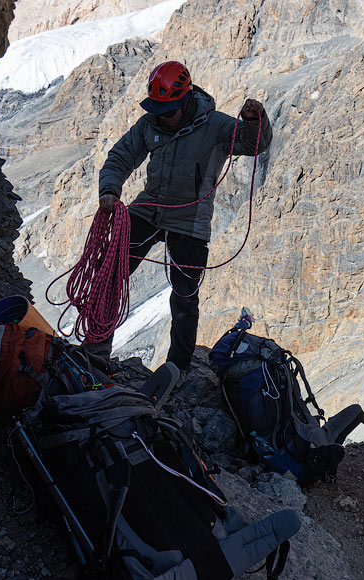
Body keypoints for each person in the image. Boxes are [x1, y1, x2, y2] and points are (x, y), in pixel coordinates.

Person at [91, 60, 272, 371]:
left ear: (186, 100)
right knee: (109, 271)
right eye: (158, 111)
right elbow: (120, 156)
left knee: (185, 298)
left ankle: (177, 368)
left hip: (190, 220)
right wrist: (109, 190)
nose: (163, 117)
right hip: (149, 209)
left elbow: (253, 143)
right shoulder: (150, 124)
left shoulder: (215, 125)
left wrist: (256, 120)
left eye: (168, 111)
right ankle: (95, 352)